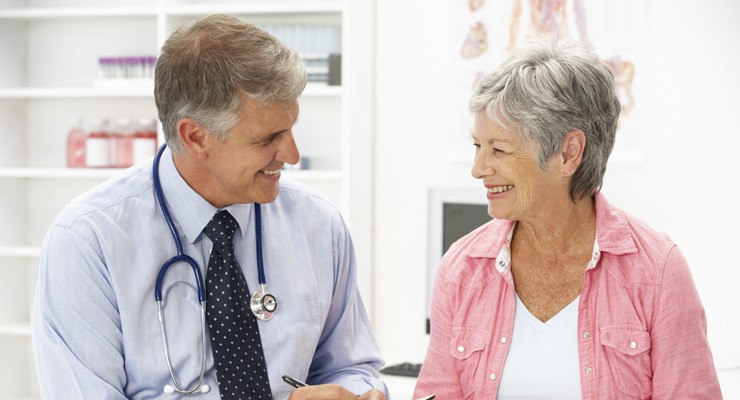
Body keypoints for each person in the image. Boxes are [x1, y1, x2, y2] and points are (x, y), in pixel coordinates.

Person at [31, 14, 387, 400]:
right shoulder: (87, 242)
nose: (292, 154)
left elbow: (349, 366)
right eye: (269, 137)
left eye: (291, 128)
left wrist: (359, 393)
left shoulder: (318, 226)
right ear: (196, 136)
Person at [414, 36, 722, 399]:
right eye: (478, 146)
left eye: (499, 149)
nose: (478, 168)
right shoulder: (460, 270)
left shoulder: (657, 272)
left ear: (568, 153)